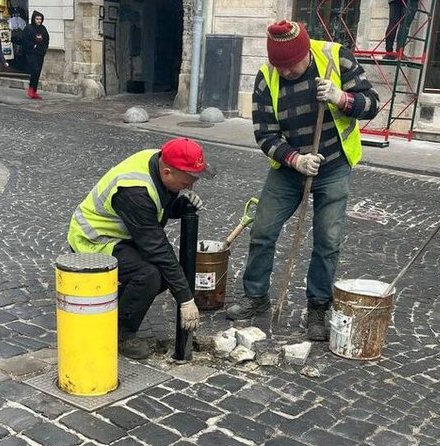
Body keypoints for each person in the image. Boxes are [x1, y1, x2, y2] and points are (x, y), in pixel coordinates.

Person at [225, 20, 379, 341]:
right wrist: (296, 159)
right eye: (278, 66)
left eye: (290, 66)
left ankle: (318, 308)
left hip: (334, 166)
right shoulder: (267, 78)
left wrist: (341, 98)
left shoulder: (338, 59)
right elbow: (264, 134)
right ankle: (256, 296)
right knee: (263, 230)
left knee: (327, 241)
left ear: (305, 52)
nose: (284, 72)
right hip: (288, 170)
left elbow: (372, 105)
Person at [67, 138, 212, 359]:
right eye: (186, 182)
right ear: (167, 173)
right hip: (94, 239)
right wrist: (185, 299)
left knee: (164, 274)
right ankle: (120, 333)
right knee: (148, 274)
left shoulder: (160, 160)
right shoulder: (134, 190)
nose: (191, 187)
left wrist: (179, 206)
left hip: (124, 235)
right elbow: (156, 247)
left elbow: (158, 206)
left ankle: (110, 310)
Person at [21, 10, 49, 99]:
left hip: (40, 53)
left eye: (40, 19)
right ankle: (31, 89)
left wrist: (44, 49)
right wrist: (33, 46)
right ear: (34, 19)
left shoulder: (43, 29)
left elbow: (46, 39)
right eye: (37, 19)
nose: (39, 21)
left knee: (38, 73)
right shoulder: (28, 28)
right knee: (35, 70)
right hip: (31, 53)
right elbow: (24, 40)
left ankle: (34, 91)